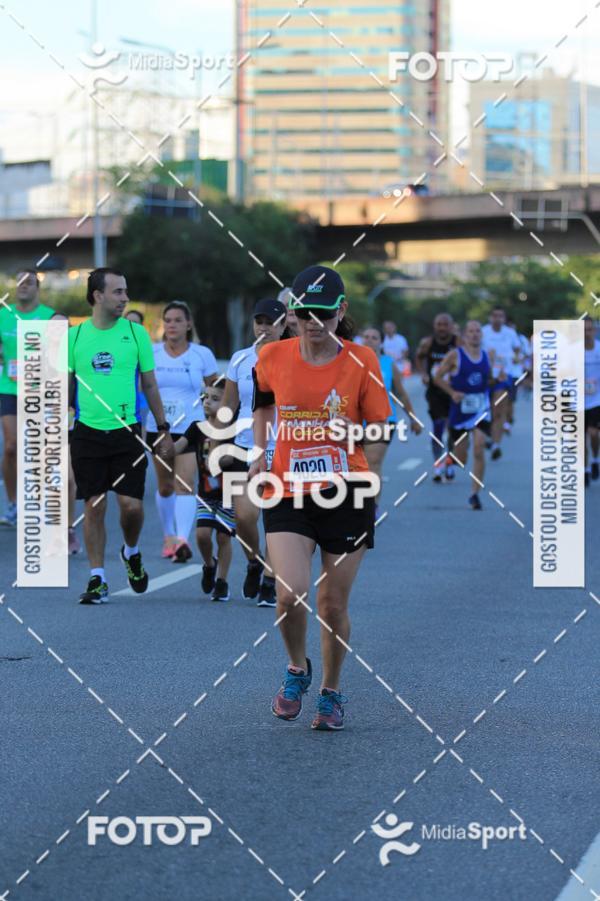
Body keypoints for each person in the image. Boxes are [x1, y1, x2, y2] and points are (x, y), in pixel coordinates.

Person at [251, 265, 391, 730]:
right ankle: (297, 669)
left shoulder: (362, 360)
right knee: (289, 594)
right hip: (288, 488)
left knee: (331, 604)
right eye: (305, 312)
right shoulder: (271, 356)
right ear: (292, 312)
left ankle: (331, 692)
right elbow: (264, 401)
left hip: (347, 491)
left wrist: (373, 471)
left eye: (324, 313)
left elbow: (378, 426)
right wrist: (258, 453)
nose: (314, 322)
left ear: (341, 311)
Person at [68, 268, 174, 604]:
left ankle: (131, 551)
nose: (125, 298)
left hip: (128, 431)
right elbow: (62, 387)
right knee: (94, 505)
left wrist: (162, 427)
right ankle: (97, 578)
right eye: (117, 292)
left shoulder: (135, 332)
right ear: (97, 296)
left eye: (125, 291)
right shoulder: (74, 337)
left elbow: (150, 384)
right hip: (86, 432)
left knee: (130, 507)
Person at [220, 297, 287, 607]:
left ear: (284, 325)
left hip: (283, 447)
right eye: (259, 321)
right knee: (246, 517)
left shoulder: (295, 357)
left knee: (275, 518)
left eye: (271, 322)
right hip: (244, 445)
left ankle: (271, 582)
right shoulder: (240, 359)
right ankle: (253, 561)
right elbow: (228, 405)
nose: (264, 327)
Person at [147, 301, 218, 563]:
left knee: (185, 484)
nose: (172, 325)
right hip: (158, 427)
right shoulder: (152, 353)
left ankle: (182, 540)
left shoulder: (202, 354)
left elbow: (217, 389)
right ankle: (168, 536)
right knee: (165, 486)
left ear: (188, 324)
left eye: (178, 320)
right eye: (168, 320)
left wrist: (217, 424)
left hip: (191, 427)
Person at [0, 270, 55, 526]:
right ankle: (13, 504)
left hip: (39, 391)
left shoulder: (48, 317)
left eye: (28, 282)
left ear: (37, 288)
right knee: (11, 447)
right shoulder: (4, 314)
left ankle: (39, 501)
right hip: (9, 388)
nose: (22, 286)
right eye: (19, 281)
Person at [173, 377, 235, 601]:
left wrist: (222, 460)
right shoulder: (197, 428)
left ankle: (222, 581)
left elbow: (234, 457)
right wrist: (165, 446)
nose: (207, 402)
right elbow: (179, 445)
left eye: (215, 399)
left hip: (229, 493)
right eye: (205, 397)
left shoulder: (234, 430)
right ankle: (209, 564)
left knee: (223, 537)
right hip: (206, 494)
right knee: (201, 535)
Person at [433, 320, 493, 510]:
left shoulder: (488, 355)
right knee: (462, 458)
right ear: (465, 335)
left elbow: (488, 379)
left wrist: (497, 380)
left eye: (478, 331)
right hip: (460, 411)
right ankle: (450, 458)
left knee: (479, 447)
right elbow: (437, 378)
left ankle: (475, 494)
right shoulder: (455, 355)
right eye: (471, 331)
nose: (475, 334)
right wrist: (452, 393)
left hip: (481, 409)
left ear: (481, 335)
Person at [361, 324, 422, 506]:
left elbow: (401, 393)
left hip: (383, 420)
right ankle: (356, 506)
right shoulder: (351, 360)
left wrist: (413, 419)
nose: (370, 340)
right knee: (356, 466)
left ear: (381, 342)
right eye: (367, 336)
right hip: (354, 421)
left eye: (374, 337)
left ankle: (373, 507)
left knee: (373, 462)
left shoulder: (388, 363)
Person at [415, 313, 457, 482]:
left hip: (453, 391)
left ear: (451, 326)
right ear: (434, 326)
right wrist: (424, 374)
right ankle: (438, 465)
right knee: (438, 426)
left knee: (453, 430)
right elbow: (419, 357)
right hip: (434, 391)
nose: (442, 328)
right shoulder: (428, 343)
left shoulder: (458, 342)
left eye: (445, 324)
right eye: (439, 324)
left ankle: (451, 463)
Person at [482, 308, 521, 459]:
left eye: (500, 316)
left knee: (499, 410)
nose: (497, 319)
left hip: (503, 377)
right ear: (490, 317)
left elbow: (517, 349)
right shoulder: (483, 332)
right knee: (489, 410)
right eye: (494, 316)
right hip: (486, 377)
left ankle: (495, 444)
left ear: (504, 318)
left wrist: (514, 359)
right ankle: (488, 436)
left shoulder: (510, 333)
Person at [584, 317, 600, 488]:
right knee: (581, 439)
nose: (586, 333)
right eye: (583, 330)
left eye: (589, 330)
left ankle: (596, 459)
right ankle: (585, 470)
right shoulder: (573, 352)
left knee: (594, 434)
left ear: (594, 331)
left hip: (596, 400)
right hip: (578, 401)